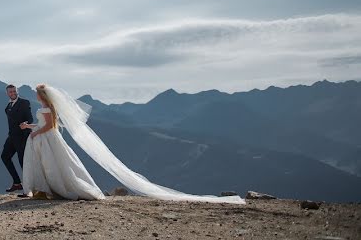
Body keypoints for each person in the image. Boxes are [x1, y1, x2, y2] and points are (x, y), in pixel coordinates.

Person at [19, 84, 245, 204]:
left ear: (43, 96)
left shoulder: (47, 108)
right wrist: (31, 128)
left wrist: (36, 132)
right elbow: (44, 125)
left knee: (54, 164)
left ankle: (61, 189)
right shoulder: (48, 109)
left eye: (38, 94)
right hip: (44, 139)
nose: (36, 97)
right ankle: (50, 189)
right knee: (55, 164)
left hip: (47, 139)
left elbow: (49, 126)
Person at [0, 84, 32, 193]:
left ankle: (30, 188)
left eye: (14, 91)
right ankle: (17, 183)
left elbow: (30, 118)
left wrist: (26, 123)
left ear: (17, 91)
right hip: (12, 137)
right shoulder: (7, 107)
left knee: (23, 162)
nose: (13, 93)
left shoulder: (24, 102)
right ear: (7, 93)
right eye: (10, 92)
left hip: (23, 137)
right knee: (4, 156)